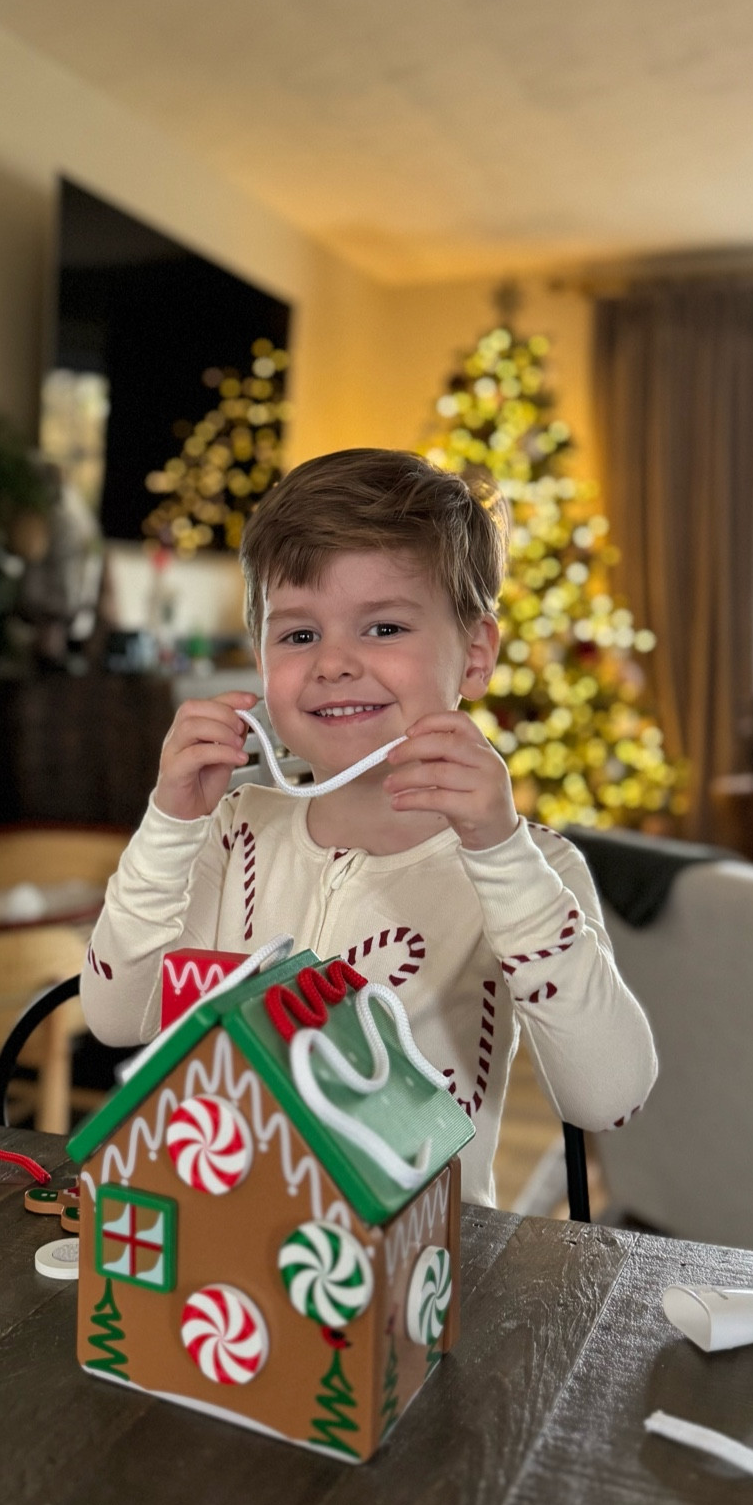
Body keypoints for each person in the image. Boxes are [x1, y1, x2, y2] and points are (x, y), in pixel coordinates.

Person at [81, 448, 656, 1206]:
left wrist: (501, 852)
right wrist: (170, 822)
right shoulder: (229, 830)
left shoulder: (529, 866)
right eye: (297, 635)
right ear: (259, 657)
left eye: (383, 627)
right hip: (231, 1250)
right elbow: (117, 1018)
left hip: (424, 1273)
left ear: (475, 657)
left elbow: (609, 1097)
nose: (334, 663)